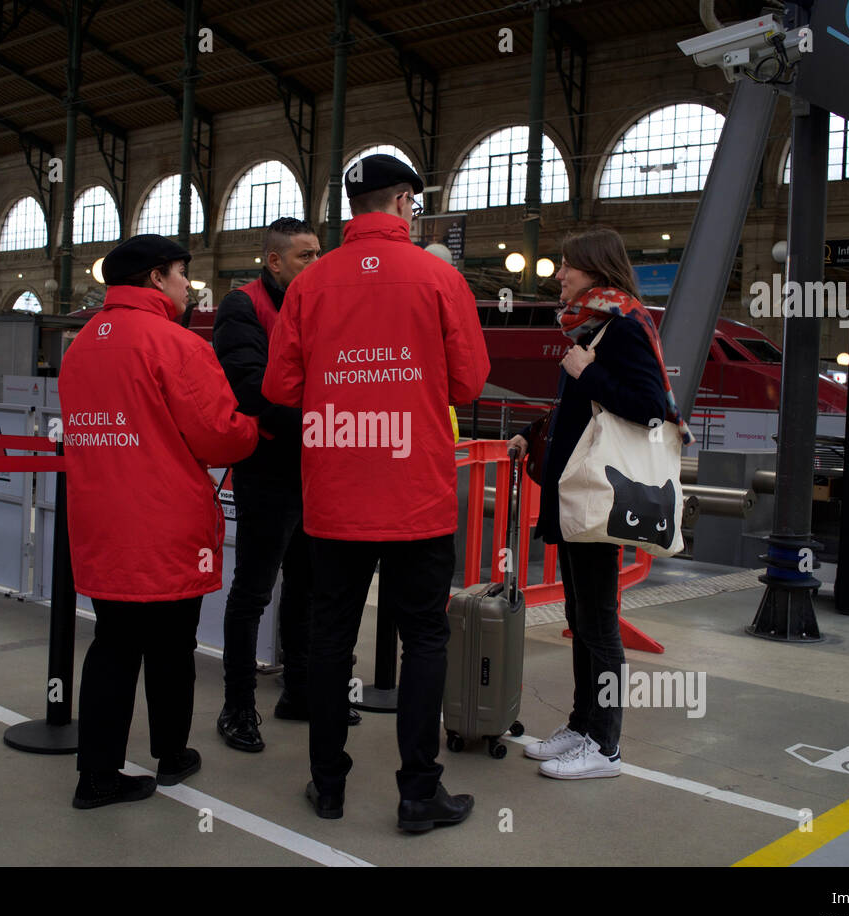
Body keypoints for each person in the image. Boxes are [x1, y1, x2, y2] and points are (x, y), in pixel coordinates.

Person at [263, 154, 490, 831]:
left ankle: (327, 786)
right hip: (415, 491)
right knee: (425, 637)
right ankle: (419, 794)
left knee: (331, 635)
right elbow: (468, 382)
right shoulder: (439, 277)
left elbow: (279, 389)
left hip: (335, 492)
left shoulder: (311, 283)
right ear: (404, 202)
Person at [58, 234, 259, 810]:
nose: (185, 287)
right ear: (155, 278)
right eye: (180, 275)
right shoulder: (174, 343)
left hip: (101, 524)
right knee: (172, 646)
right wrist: (254, 428)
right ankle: (172, 755)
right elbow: (217, 433)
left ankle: (95, 775)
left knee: (112, 646)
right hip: (165, 524)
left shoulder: (82, 345)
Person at [508, 227, 671, 781]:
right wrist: (534, 433)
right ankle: (582, 725)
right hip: (577, 494)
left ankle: (605, 747)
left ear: (595, 271)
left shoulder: (622, 328)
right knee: (581, 617)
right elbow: (580, 410)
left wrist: (589, 371)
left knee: (599, 622)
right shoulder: (596, 327)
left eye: (566, 266)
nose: (559, 275)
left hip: (601, 499)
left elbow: (652, 407)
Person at [212, 217, 361, 753]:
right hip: (270, 472)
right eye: (305, 256)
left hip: (316, 470)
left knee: (308, 587)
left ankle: (299, 692)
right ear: (275, 261)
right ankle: (237, 707)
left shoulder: (321, 303)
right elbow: (250, 391)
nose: (316, 264)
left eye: (320, 253)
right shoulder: (243, 307)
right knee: (253, 590)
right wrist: (328, 421)